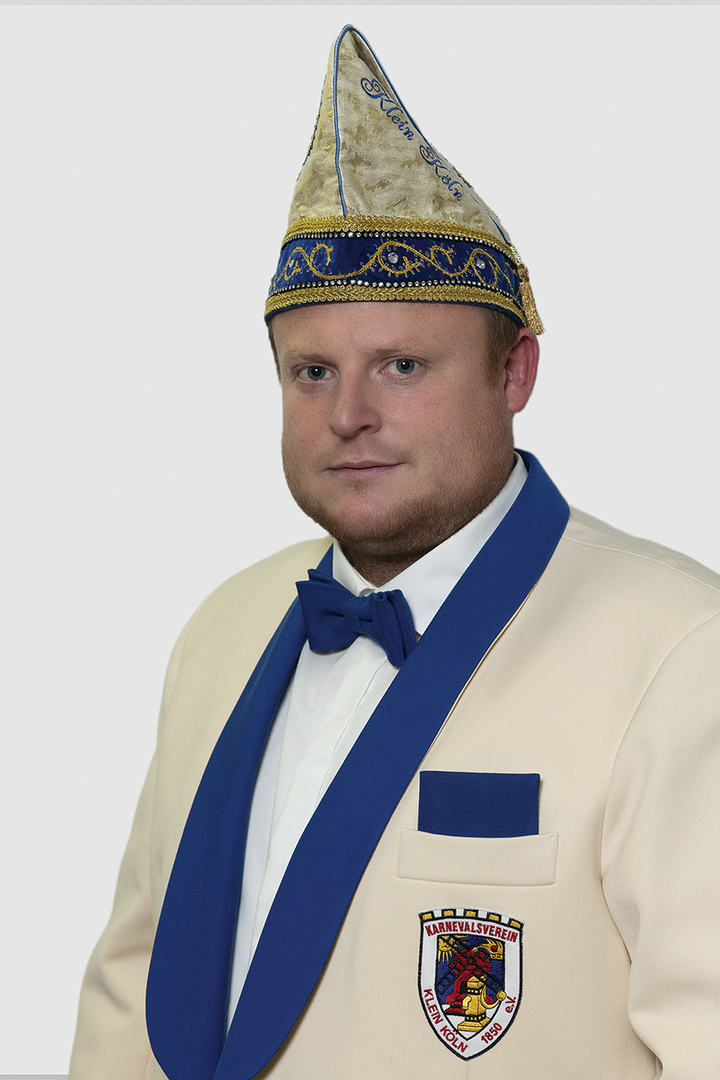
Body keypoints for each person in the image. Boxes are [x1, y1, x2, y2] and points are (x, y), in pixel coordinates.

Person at [69, 25, 720, 1080]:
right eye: (313, 373)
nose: (349, 416)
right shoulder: (221, 629)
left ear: (515, 374)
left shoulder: (682, 651)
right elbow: (132, 988)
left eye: (403, 365)